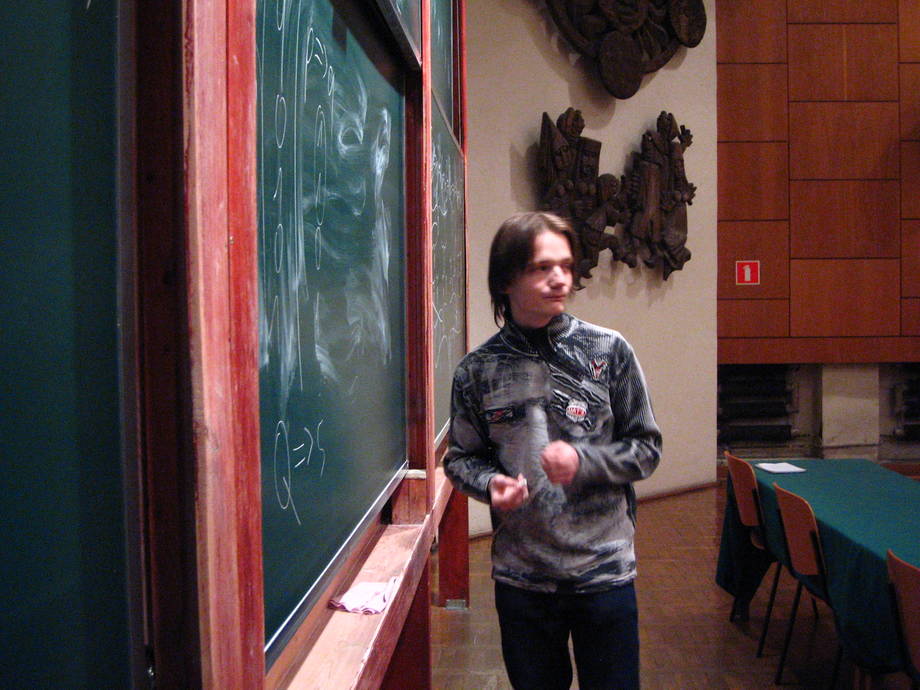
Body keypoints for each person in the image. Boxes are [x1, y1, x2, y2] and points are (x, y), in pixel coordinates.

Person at [444, 211, 662, 690]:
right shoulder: (477, 371)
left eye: (565, 265)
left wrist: (585, 461)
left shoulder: (609, 350)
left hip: (604, 572)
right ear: (506, 280)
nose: (560, 278)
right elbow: (460, 459)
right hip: (523, 579)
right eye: (542, 267)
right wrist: (491, 484)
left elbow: (646, 448)